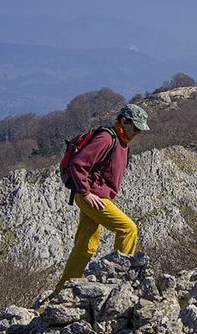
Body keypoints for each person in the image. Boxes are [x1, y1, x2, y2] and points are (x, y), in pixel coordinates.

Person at [53, 103, 150, 294]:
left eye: (140, 129)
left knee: (85, 246)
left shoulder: (122, 142)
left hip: (95, 196)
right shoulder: (106, 138)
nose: (137, 132)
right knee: (128, 229)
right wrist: (86, 192)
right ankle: (122, 278)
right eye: (135, 127)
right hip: (92, 197)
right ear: (124, 121)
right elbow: (79, 163)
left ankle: (62, 291)